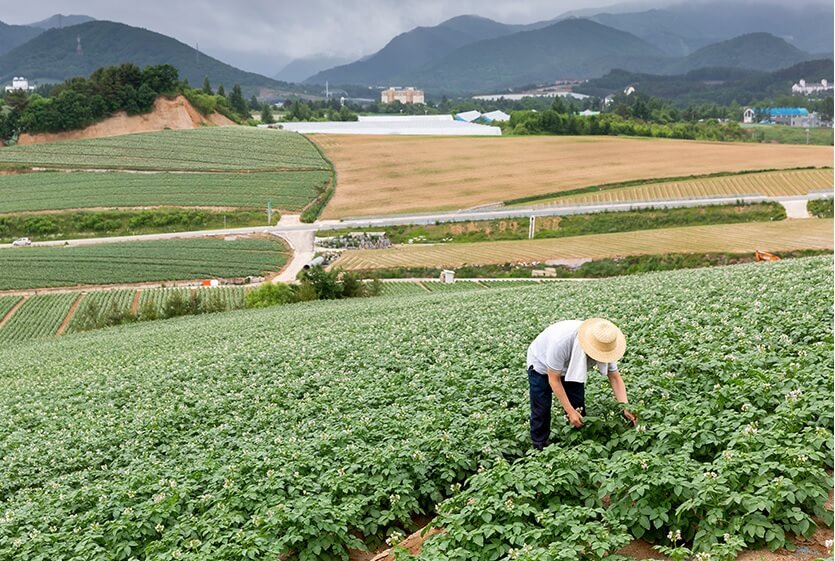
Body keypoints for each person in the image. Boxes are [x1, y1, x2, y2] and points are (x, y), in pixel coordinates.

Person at [526, 318, 637, 450]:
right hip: (541, 365)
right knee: (541, 408)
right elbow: (553, 379)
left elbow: (615, 378)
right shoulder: (560, 342)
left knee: (578, 406)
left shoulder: (604, 346)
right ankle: (539, 448)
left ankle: (578, 445)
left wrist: (625, 406)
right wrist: (569, 411)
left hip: (568, 367)